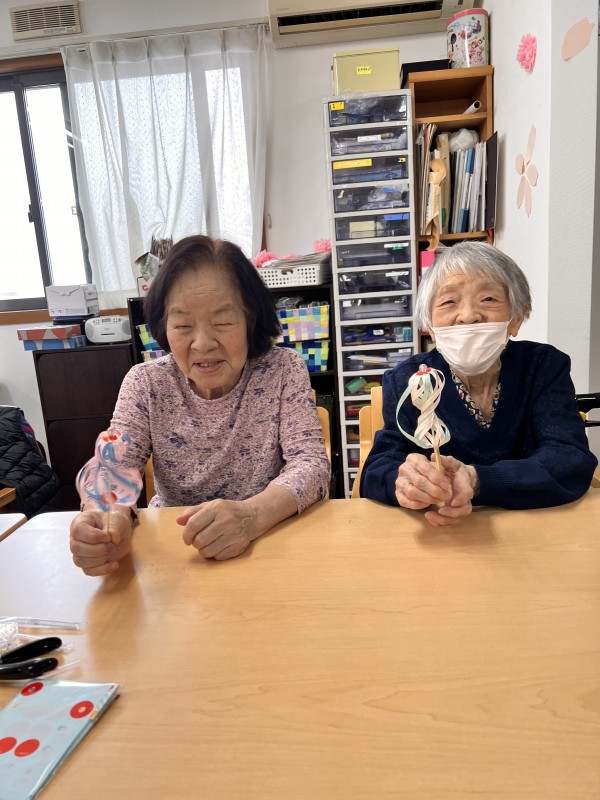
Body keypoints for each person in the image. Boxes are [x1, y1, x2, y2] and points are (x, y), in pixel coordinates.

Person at [70, 235, 330, 574]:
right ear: (163, 326)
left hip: (269, 542)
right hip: (178, 553)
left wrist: (252, 515)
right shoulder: (146, 383)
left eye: (222, 323)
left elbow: (311, 464)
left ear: (250, 319)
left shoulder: (282, 369)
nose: (203, 343)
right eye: (182, 325)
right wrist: (106, 517)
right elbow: (114, 467)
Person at [361, 241, 598, 526]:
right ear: (430, 327)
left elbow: (570, 458)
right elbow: (377, 469)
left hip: (532, 527)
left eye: (488, 299)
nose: (468, 315)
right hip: (443, 531)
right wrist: (404, 482)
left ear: (516, 318)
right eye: (449, 302)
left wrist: (477, 480)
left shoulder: (543, 367)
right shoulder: (409, 380)